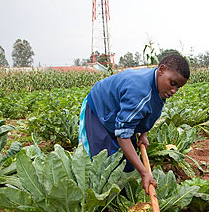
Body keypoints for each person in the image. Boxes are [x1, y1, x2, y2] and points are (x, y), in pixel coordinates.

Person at [79, 54, 190, 193]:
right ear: (161, 69)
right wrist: (144, 173)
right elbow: (123, 136)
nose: (174, 91)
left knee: (128, 164)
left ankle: (124, 194)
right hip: (100, 110)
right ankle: (108, 203)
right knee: (105, 165)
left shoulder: (160, 86)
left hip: (119, 113)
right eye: (173, 83)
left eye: (178, 87)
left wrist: (143, 134)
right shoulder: (139, 92)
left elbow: (149, 111)